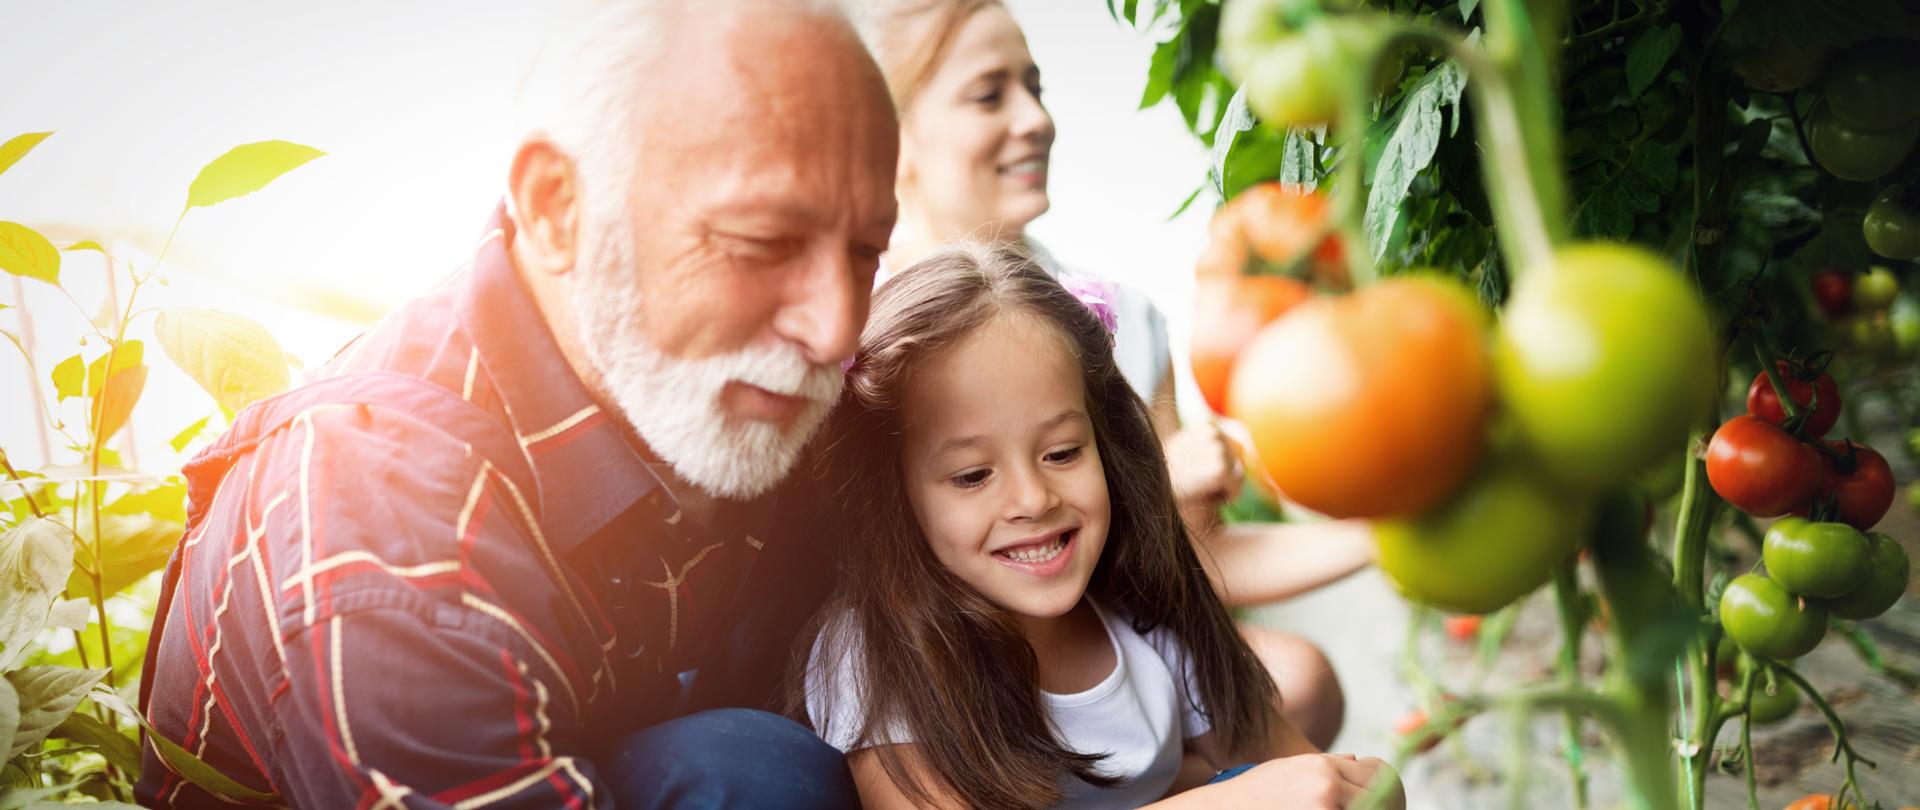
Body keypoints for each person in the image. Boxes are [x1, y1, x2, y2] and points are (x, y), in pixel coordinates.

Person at [135, 1, 896, 807]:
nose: (835, 329)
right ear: (558, 207)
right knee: (748, 778)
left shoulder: (691, 377)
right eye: (762, 243)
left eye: (866, 251)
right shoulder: (386, 536)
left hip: (613, 735)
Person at [856, 0, 1364, 748]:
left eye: (1036, 87)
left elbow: (1199, 559)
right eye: (989, 94)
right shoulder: (857, 340)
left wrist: (1385, 533)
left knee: (1299, 678)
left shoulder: (1126, 320)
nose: (1035, 119)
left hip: (1112, 661)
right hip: (950, 686)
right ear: (892, 139)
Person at [797, 243, 1403, 809]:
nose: (1033, 499)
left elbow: (1302, 774)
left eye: (1062, 453)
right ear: (894, 495)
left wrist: (1358, 789)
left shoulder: (1149, 616)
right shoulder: (875, 655)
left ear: (1107, 446)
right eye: (973, 475)